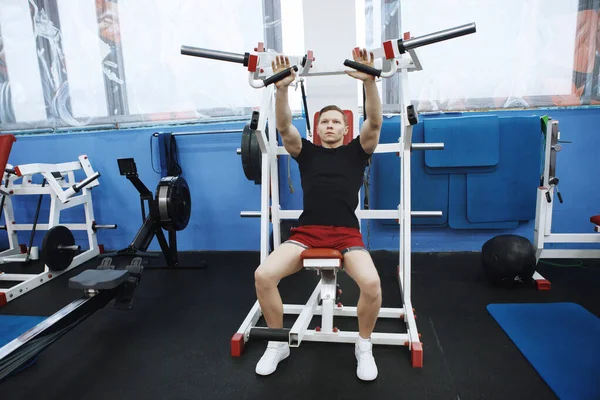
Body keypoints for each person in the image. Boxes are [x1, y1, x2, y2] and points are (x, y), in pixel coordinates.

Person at [253, 48, 383, 381]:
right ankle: (278, 343)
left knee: (371, 283)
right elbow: (283, 126)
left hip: (346, 236)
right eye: (323, 121)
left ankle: (363, 345)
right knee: (264, 275)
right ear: (316, 128)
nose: (329, 125)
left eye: (335, 121)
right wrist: (281, 89)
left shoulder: (357, 152)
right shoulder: (306, 153)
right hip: (306, 234)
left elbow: (375, 122)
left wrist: (370, 82)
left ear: (344, 128)